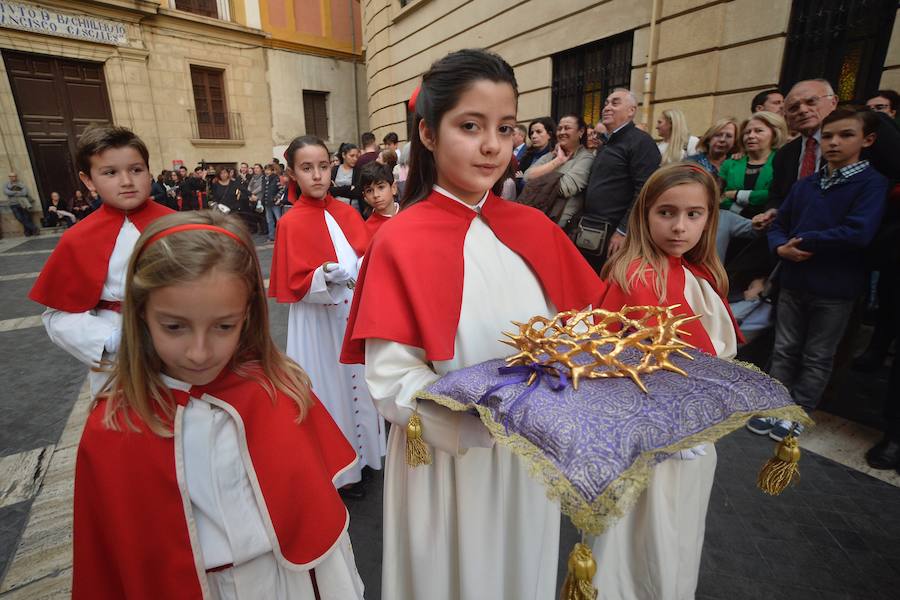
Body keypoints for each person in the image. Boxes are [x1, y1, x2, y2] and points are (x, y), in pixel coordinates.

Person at [341, 48, 604, 600]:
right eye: (470, 125)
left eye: (505, 128)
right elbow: (391, 378)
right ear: (429, 135)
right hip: (448, 462)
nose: (492, 145)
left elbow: (585, 328)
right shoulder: (399, 241)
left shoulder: (535, 228)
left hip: (532, 458)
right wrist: (476, 416)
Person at [72, 211, 365, 599]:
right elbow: (107, 558)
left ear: (248, 317)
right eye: (174, 326)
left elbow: (319, 534)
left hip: (285, 581)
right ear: (141, 315)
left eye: (223, 326)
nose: (198, 352)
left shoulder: (278, 391)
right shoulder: (114, 425)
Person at [593, 162, 741, 599]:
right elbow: (612, 364)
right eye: (666, 212)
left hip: (697, 430)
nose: (680, 227)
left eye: (694, 214)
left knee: (677, 533)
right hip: (649, 437)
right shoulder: (635, 276)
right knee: (642, 539)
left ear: (710, 217)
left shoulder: (699, 275)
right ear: (644, 214)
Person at [759, 108, 887, 439]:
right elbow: (780, 224)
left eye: (846, 135)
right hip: (794, 281)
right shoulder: (807, 184)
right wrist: (779, 248)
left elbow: (859, 232)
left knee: (817, 355)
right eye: (828, 136)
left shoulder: (871, 184)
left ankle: (798, 411)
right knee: (784, 347)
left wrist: (807, 240)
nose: (834, 142)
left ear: (867, 140)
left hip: (835, 287)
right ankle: (774, 404)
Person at [269, 135, 384, 499]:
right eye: (307, 168)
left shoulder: (348, 212)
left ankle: (366, 457)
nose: (317, 175)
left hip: (353, 313)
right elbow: (294, 282)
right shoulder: (290, 223)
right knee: (329, 388)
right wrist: (321, 276)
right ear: (292, 173)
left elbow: (365, 256)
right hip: (318, 323)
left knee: (360, 383)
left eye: (323, 166)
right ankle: (341, 468)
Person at [28, 126, 173, 396]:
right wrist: (111, 339)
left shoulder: (178, 224)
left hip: (182, 342)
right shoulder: (77, 238)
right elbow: (58, 316)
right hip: (120, 355)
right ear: (89, 181)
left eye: (136, 170)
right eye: (110, 173)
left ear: (149, 171)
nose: (127, 181)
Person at [580, 88, 661, 269]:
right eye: (606, 103)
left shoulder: (641, 142)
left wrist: (623, 230)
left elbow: (645, 190)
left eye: (615, 103)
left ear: (631, 111)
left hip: (616, 235)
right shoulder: (607, 144)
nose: (607, 107)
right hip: (594, 229)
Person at [522, 113, 594, 229]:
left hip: (558, 225)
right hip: (534, 218)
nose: (562, 132)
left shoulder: (586, 158)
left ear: (581, 132)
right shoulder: (551, 156)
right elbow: (527, 177)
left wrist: (540, 176)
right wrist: (558, 161)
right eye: (559, 128)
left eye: (567, 128)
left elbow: (565, 188)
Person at [719, 111, 789, 218]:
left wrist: (737, 195)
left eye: (758, 131)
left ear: (774, 134)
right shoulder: (730, 163)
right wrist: (742, 213)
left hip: (770, 223)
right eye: (747, 132)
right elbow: (720, 197)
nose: (751, 136)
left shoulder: (783, 161)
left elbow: (774, 195)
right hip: (733, 225)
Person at [359, 161, 398, 237]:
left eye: (381, 187)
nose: (376, 195)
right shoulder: (367, 230)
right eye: (369, 191)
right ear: (365, 197)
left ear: (393, 188)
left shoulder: (410, 214)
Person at [4, 172, 39, 236]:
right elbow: (7, 192)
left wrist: (13, 192)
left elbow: (24, 193)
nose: (12, 178)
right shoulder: (7, 185)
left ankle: (27, 232)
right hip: (13, 204)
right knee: (19, 218)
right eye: (11, 176)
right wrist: (17, 192)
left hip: (23, 203)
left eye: (14, 176)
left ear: (16, 177)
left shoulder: (21, 184)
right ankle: (34, 228)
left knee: (26, 217)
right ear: (9, 177)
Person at [331, 143, 360, 207]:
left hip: (353, 209)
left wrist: (337, 189)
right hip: (335, 208)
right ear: (344, 155)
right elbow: (330, 190)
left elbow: (357, 193)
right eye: (352, 156)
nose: (355, 159)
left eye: (357, 156)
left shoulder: (358, 171)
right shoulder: (335, 170)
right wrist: (349, 188)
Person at [260, 163, 282, 242]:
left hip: (274, 202)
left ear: (272, 171)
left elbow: (281, 189)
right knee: (269, 220)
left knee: (279, 219)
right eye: (266, 170)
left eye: (268, 170)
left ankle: (281, 236)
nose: (267, 171)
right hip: (266, 202)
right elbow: (263, 190)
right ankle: (271, 236)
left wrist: (277, 197)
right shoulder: (264, 179)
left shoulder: (276, 178)